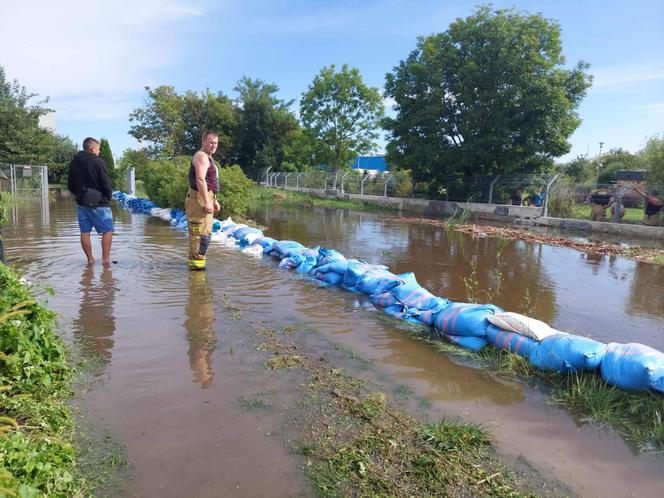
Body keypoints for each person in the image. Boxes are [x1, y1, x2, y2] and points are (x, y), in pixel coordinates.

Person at [67, 137, 114, 265]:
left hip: (81, 203)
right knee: (107, 230)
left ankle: (90, 260)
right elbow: (106, 183)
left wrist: (81, 195)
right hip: (100, 203)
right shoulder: (98, 162)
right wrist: (107, 198)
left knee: (85, 232)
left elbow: (70, 185)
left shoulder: (74, 163)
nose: (99, 152)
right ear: (93, 148)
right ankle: (105, 261)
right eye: (98, 149)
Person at [185, 131, 221, 270]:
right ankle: (196, 272)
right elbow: (200, 179)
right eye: (211, 142)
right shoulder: (201, 156)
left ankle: (198, 267)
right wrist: (207, 202)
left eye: (216, 143)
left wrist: (214, 200)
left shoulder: (208, 158)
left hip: (205, 197)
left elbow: (209, 181)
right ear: (203, 142)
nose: (214, 145)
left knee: (205, 235)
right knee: (198, 234)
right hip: (198, 200)